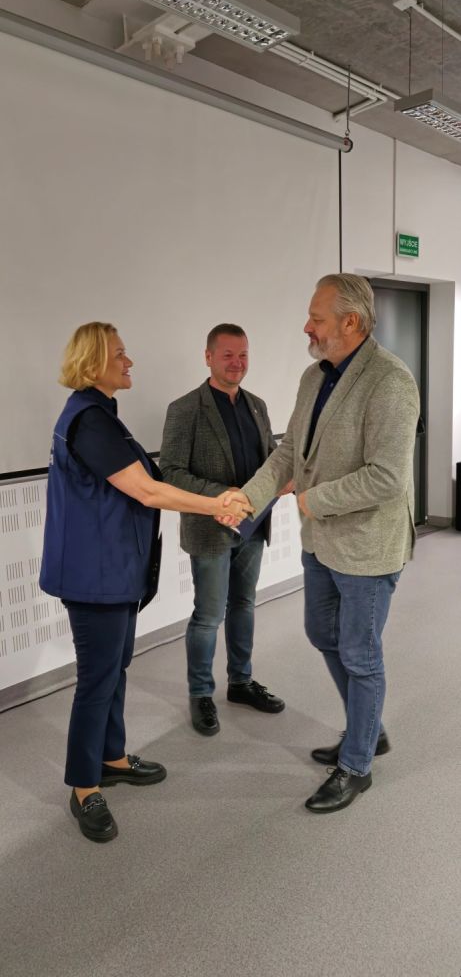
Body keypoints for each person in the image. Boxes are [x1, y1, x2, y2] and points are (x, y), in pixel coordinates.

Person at [39, 322, 251, 843]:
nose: (129, 361)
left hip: (113, 572)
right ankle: (84, 787)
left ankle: (111, 757)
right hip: (95, 577)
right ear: (94, 363)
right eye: (119, 354)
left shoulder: (102, 415)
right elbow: (149, 492)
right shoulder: (89, 421)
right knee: (97, 680)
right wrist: (216, 504)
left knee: (115, 670)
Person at [224, 275, 419, 813]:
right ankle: (368, 727)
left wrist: (313, 499)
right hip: (322, 542)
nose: (306, 327)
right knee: (320, 631)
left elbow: (387, 478)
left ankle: (356, 765)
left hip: (367, 546)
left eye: (317, 318)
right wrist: (248, 497)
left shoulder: (391, 381)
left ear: (351, 322)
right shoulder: (314, 377)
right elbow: (289, 453)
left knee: (360, 654)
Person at [159, 324, 289, 736]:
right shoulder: (185, 409)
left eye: (243, 355)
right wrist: (222, 496)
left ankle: (240, 682)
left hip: (252, 527)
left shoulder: (258, 406)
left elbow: (271, 461)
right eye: (228, 355)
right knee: (209, 615)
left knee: (244, 605)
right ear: (209, 357)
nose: (237, 363)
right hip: (210, 530)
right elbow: (170, 472)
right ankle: (201, 694)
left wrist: (285, 480)